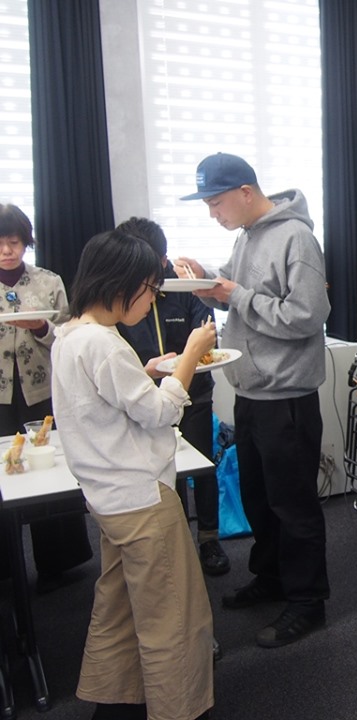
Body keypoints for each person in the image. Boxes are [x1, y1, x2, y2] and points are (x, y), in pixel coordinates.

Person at [51, 230, 216, 720]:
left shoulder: (69, 335)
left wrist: (145, 373)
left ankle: (115, 702)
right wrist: (190, 356)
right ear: (120, 284)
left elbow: (99, 400)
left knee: (119, 611)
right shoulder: (105, 345)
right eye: (149, 289)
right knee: (174, 618)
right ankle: (180, 710)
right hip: (142, 499)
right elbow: (162, 413)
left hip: (107, 499)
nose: (151, 300)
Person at [177, 152, 330, 648]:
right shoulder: (246, 236)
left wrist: (235, 295)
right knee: (259, 498)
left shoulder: (296, 237)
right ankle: (271, 578)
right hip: (250, 393)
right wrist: (204, 280)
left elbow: (307, 316)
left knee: (293, 504)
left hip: (287, 398)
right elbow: (234, 288)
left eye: (216, 203)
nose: (213, 214)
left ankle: (307, 601)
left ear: (246, 192)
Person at [114, 216, 230, 577]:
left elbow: (206, 337)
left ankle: (209, 539)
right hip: (144, 397)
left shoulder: (185, 287)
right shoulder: (121, 294)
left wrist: (186, 360)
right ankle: (173, 539)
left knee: (203, 465)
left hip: (194, 393)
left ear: (163, 260)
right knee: (161, 470)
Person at [0, 203, 92, 591]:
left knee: (49, 468)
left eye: (14, 242)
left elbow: (69, 336)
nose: (7, 251)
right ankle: (4, 569)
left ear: (26, 242)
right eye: (0, 243)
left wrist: (40, 327)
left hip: (41, 390)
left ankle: (58, 561)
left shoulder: (48, 281)